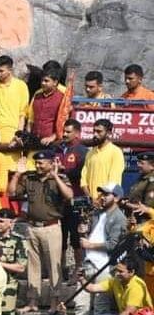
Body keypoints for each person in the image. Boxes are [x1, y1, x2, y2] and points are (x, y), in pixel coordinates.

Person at [9, 150, 73, 310]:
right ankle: (32, 302)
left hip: (51, 227)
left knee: (54, 266)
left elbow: (69, 195)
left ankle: (55, 302)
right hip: (32, 227)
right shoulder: (30, 178)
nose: (37, 165)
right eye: (36, 162)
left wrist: (56, 176)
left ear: (51, 163)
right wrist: (17, 174)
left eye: (41, 163)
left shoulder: (61, 178)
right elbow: (11, 192)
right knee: (33, 266)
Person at [74, 185, 127, 315]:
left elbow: (114, 245)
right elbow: (91, 236)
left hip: (105, 266)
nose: (102, 197)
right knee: (80, 305)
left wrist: (90, 245)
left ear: (116, 198)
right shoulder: (96, 214)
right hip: (88, 263)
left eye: (106, 194)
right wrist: (83, 230)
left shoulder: (119, 218)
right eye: (101, 194)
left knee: (100, 308)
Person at [83, 259, 152, 315]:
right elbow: (93, 288)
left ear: (131, 272)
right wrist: (82, 279)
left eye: (121, 271)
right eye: (116, 270)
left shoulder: (136, 285)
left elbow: (129, 313)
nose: (116, 274)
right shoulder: (116, 280)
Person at [56, 119, 88, 278]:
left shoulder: (82, 151)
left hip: (76, 200)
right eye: (64, 131)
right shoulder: (59, 149)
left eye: (68, 132)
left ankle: (78, 269)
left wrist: (65, 172)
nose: (65, 134)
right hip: (59, 201)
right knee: (60, 237)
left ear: (77, 133)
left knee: (76, 238)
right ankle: (61, 269)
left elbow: (82, 174)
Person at [0, 55, 28, 161]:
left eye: (1, 71)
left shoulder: (21, 86)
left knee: (10, 168)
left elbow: (22, 114)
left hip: (12, 133)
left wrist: (18, 135)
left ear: (10, 70)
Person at [24, 65, 68, 150]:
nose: (43, 83)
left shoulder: (62, 98)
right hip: (34, 141)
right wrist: (28, 136)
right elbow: (31, 120)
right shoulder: (37, 95)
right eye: (42, 80)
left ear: (55, 82)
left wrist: (52, 137)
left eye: (46, 81)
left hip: (52, 143)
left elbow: (64, 121)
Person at [79, 119, 125, 199]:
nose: (95, 134)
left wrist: (101, 199)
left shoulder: (116, 152)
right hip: (91, 203)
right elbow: (83, 180)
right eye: (94, 131)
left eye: (99, 131)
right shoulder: (90, 153)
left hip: (106, 202)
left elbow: (113, 182)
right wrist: (90, 198)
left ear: (109, 133)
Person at [124, 151, 154, 225]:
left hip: (146, 225)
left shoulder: (151, 181)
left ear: (152, 166)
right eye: (138, 162)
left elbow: (145, 208)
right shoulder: (142, 178)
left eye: (141, 163)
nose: (138, 165)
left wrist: (125, 204)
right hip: (135, 222)